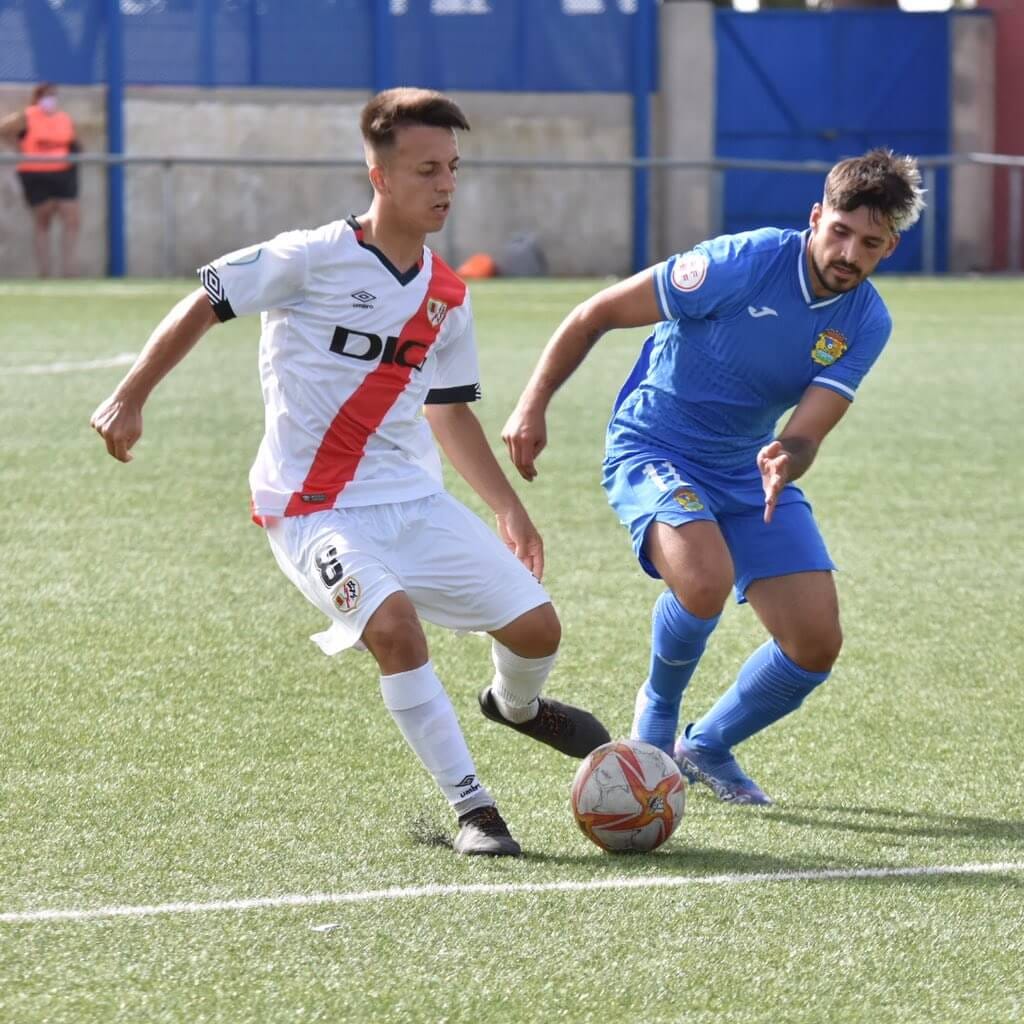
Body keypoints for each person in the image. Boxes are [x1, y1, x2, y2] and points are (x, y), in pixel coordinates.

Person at [90, 87, 610, 857]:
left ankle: (519, 708)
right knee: (394, 629)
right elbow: (207, 296)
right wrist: (129, 396)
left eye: (453, 168)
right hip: (312, 508)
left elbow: (448, 409)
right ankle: (475, 811)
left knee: (538, 627)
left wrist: (507, 509)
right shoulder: (308, 257)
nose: (445, 185)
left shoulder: (446, 293)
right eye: (428, 168)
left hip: (412, 500)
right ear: (380, 175)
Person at [502, 148, 924, 805]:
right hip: (653, 445)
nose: (848, 252)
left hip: (745, 466)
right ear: (817, 216)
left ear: (888, 248)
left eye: (869, 243)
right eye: (839, 231)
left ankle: (707, 746)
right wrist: (533, 404)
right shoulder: (742, 262)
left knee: (816, 643)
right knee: (703, 581)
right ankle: (657, 722)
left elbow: (808, 430)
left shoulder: (866, 320)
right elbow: (596, 315)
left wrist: (788, 455)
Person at [0, 82, 81, 277]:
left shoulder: (63, 119)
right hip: (36, 174)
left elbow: (72, 142)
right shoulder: (27, 116)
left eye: (53, 95)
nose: (50, 99)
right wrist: (17, 146)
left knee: (72, 220)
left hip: (63, 174)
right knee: (43, 221)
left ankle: (70, 272)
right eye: (46, 95)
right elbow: (3, 128)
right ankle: (44, 272)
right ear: (38, 97)